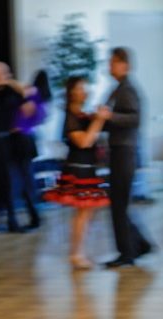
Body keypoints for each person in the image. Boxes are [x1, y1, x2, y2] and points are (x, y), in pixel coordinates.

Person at [43, 77, 112, 270]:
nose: (85, 91)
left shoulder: (81, 115)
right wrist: (98, 120)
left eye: (85, 88)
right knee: (83, 212)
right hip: (78, 169)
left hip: (87, 168)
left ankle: (78, 252)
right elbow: (84, 142)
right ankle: (76, 254)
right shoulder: (70, 116)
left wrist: (97, 118)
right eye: (81, 88)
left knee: (86, 213)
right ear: (72, 92)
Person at [102, 47, 154, 268]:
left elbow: (134, 119)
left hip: (125, 151)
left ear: (126, 65)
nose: (110, 66)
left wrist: (109, 116)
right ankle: (139, 245)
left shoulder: (127, 89)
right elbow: (113, 119)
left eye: (114, 62)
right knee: (119, 203)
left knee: (119, 204)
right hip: (119, 150)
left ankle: (128, 253)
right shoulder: (118, 89)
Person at [0, 62, 37, 233]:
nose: (6, 74)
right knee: (0, 182)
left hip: (9, 142)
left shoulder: (10, 92)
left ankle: (10, 220)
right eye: (2, 72)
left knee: (11, 181)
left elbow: (29, 105)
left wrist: (11, 83)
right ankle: (3, 221)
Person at [10, 69, 51, 231]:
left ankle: (35, 217)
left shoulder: (32, 92)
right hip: (29, 138)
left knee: (24, 180)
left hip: (21, 139)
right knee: (28, 179)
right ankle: (35, 215)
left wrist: (9, 81)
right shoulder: (43, 97)